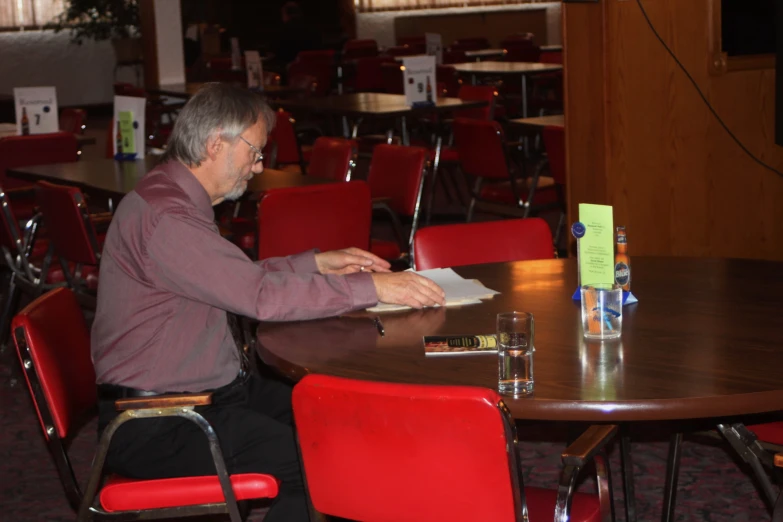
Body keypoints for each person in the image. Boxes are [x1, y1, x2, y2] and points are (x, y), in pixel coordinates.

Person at [90, 82, 445, 522]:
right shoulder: (169, 219)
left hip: (197, 400)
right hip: (159, 421)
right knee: (317, 463)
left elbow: (235, 278)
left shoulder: (169, 196)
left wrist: (313, 264)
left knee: (335, 415)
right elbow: (257, 297)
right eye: (255, 152)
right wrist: (375, 288)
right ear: (217, 143)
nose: (258, 167)